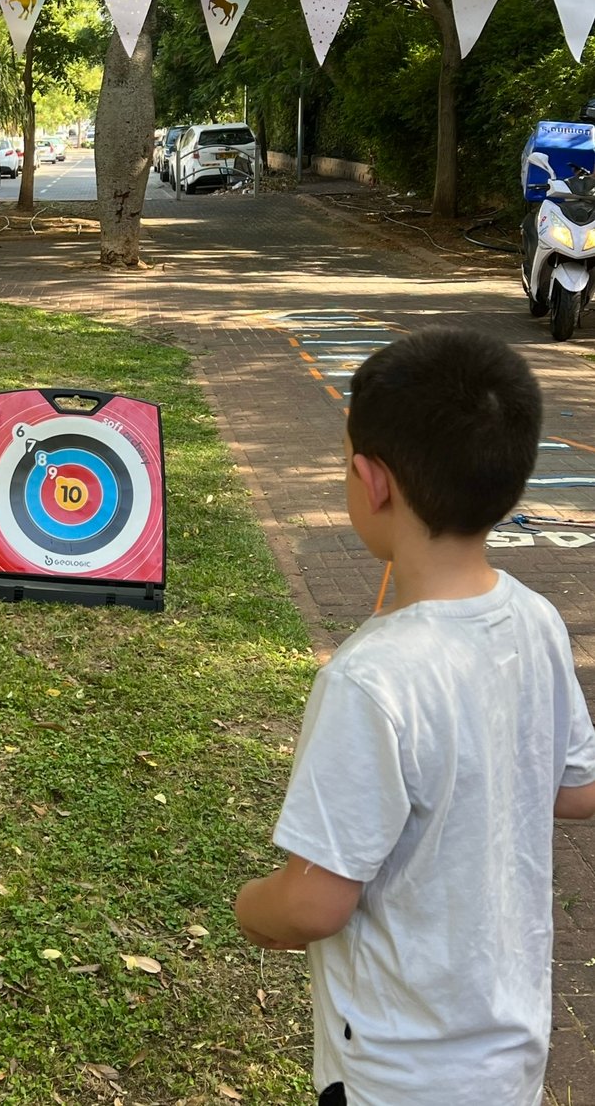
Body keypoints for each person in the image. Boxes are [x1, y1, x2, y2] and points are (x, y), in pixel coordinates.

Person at [234, 329, 595, 1106]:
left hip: (395, 1078)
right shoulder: (535, 619)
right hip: (511, 1057)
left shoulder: (370, 678)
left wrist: (252, 906)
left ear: (372, 483)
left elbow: (313, 904)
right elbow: (577, 789)